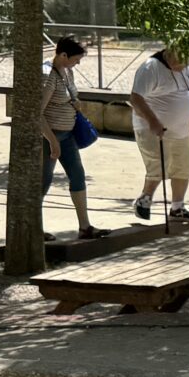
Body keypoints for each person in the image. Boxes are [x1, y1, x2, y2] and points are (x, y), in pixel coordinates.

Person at [128, 39, 189, 224]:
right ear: (169, 53)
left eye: (184, 63)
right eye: (177, 63)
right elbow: (135, 99)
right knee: (159, 165)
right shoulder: (150, 67)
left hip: (181, 130)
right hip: (151, 128)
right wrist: (153, 121)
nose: (181, 67)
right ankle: (144, 199)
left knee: (183, 167)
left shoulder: (188, 64)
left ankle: (177, 208)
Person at [39, 37, 108, 243]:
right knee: (43, 181)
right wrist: (52, 141)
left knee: (78, 176)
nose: (77, 64)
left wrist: (75, 102)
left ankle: (85, 226)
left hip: (68, 134)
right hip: (50, 137)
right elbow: (37, 113)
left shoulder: (67, 72)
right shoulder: (48, 76)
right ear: (63, 55)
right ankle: (35, 227)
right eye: (75, 59)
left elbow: (70, 95)